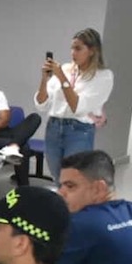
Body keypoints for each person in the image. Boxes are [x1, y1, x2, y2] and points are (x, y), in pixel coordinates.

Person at [35, 28, 114, 179]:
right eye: (72, 48)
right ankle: (62, 203)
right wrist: (45, 79)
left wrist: (62, 78)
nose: (73, 53)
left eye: (78, 48)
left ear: (92, 50)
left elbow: (77, 107)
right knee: (58, 178)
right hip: (54, 127)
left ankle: (73, 204)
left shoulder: (103, 76)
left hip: (78, 131)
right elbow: (42, 104)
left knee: (74, 180)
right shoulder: (65, 69)